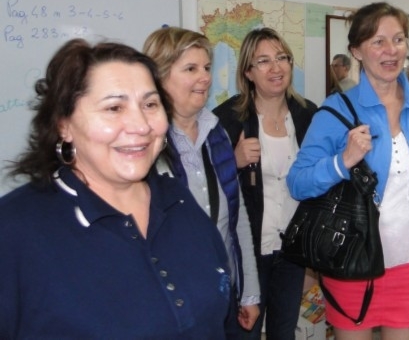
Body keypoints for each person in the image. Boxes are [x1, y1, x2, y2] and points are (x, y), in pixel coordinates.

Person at [0, 39, 232, 339]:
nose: (141, 125)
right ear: (64, 125)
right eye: (114, 108)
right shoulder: (15, 229)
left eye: (150, 104)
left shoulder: (178, 199)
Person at [287, 2, 409, 340]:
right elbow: (298, 182)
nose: (390, 51)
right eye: (378, 41)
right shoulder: (336, 111)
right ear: (356, 50)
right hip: (351, 264)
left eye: (398, 39)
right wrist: (343, 161)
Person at [143, 27, 260, 335]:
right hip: (171, 304)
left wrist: (248, 291)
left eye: (207, 67)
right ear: (159, 76)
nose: (205, 77)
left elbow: (236, 218)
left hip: (223, 295)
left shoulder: (217, 133)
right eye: (191, 69)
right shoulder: (142, 145)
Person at [213, 27, 318, 340]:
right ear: (248, 72)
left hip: (293, 249)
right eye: (263, 61)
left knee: (284, 332)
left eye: (282, 58)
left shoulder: (308, 115)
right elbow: (204, 188)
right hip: (249, 252)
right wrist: (233, 161)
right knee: (243, 332)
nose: (276, 68)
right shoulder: (227, 118)